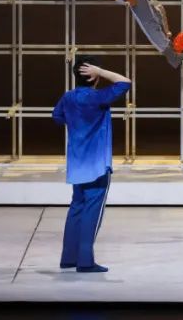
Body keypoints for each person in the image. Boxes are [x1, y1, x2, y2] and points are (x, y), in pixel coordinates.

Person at [51, 55, 131, 273]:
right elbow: (125, 82)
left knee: (77, 207)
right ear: (94, 76)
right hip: (96, 165)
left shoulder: (68, 97)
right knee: (92, 212)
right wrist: (101, 71)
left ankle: (69, 258)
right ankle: (85, 261)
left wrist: (76, 122)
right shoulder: (97, 98)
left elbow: (57, 117)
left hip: (77, 163)